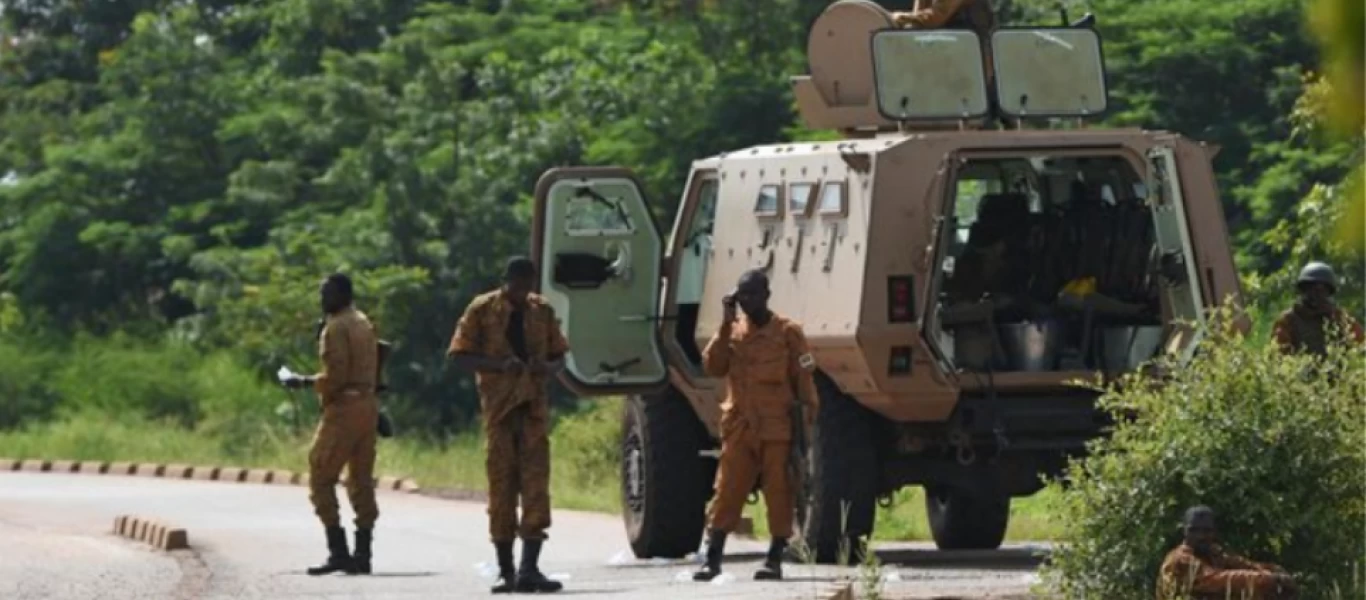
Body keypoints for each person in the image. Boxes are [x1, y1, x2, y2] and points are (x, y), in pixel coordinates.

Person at [447, 256, 570, 594]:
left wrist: (547, 367)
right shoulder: (482, 309)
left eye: (527, 285)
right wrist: (499, 365)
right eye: (517, 284)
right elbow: (458, 355)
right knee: (501, 490)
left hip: (532, 412)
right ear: (506, 280)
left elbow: (560, 354)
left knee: (536, 489)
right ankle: (506, 571)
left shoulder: (541, 310)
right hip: (500, 413)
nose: (522, 291)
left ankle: (530, 569)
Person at [693, 269, 819, 583]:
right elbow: (713, 366)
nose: (747, 301)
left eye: (752, 295)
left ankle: (774, 557)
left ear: (766, 295)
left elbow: (804, 383)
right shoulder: (733, 333)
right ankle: (713, 559)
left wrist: (806, 427)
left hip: (777, 428)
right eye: (742, 296)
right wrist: (725, 323)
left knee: (779, 491)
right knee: (727, 490)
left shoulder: (788, 333)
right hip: (740, 427)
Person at [281, 273, 381, 576]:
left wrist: (301, 381)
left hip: (344, 410)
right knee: (361, 479)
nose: (322, 299)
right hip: (367, 405)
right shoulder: (363, 322)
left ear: (342, 295)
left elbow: (335, 377)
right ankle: (363, 553)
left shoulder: (335, 328)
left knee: (321, 474)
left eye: (327, 293)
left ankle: (338, 551)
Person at [1157, 506, 1297, 600]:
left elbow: (1241, 564)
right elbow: (1216, 580)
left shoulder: (1212, 553)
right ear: (1184, 531)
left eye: (1206, 531)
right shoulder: (1179, 559)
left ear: (1214, 532)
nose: (1200, 536)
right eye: (1194, 530)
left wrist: (1273, 571)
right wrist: (1268, 580)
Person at [1271, 262, 1364, 357]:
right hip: (1300, 365)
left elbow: (1361, 345)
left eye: (1321, 290)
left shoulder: (1340, 318)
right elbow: (1278, 353)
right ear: (1303, 290)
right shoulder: (1288, 320)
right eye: (1311, 289)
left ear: (1328, 292)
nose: (1316, 294)